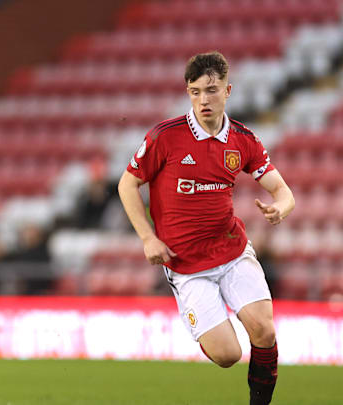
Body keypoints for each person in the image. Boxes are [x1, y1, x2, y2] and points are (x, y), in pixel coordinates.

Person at [118, 51, 294, 405]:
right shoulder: (166, 136)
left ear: (227, 91)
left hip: (231, 251)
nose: (203, 100)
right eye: (195, 92)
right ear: (188, 92)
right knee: (227, 354)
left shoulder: (242, 139)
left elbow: (282, 190)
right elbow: (126, 184)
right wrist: (148, 238)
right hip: (186, 266)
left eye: (211, 91)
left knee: (263, 328)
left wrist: (282, 208)